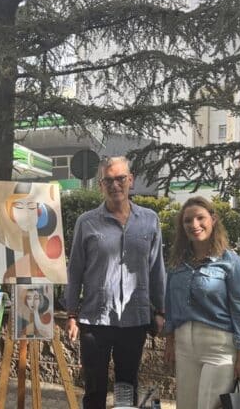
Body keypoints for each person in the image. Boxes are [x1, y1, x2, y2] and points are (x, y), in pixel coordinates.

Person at [65, 156, 166, 408]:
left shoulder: (149, 220)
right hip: (95, 319)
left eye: (120, 178)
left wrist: (161, 310)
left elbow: (156, 269)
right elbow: (75, 270)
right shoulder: (86, 222)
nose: (115, 185)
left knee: (126, 387)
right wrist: (70, 314)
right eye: (108, 180)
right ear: (101, 185)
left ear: (130, 180)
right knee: (94, 387)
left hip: (135, 319)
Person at [163, 196, 240, 409]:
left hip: (219, 347)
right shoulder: (178, 263)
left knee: (210, 406)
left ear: (213, 219)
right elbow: (170, 303)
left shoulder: (231, 263)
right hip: (185, 345)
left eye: (200, 218)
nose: (194, 225)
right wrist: (169, 340)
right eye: (187, 221)